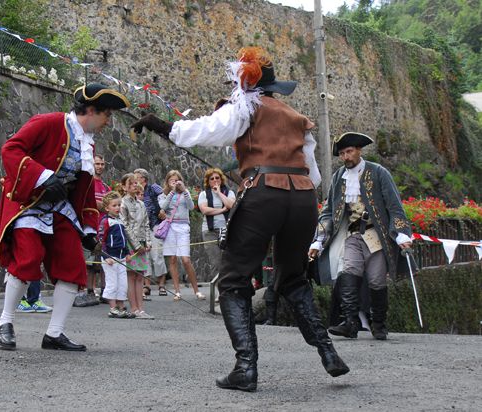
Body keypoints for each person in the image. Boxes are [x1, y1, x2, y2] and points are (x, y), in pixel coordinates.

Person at [132, 46, 348, 391]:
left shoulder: (246, 106)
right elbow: (315, 176)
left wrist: (160, 125)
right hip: (304, 197)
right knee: (292, 278)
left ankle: (245, 368)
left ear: (244, 84)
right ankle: (328, 353)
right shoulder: (295, 117)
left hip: (265, 195)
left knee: (233, 281)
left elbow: (207, 130)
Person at [0, 83, 130, 351]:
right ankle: (5, 322)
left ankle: (54, 333)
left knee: (72, 266)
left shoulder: (87, 145)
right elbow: (11, 149)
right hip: (29, 204)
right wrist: (43, 177)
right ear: (91, 111)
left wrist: (90, 230)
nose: (108, 122)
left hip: (60, 211)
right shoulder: (49, 123)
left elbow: (86, 192)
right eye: (107, 115)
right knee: (28, 259)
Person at [308, 132, 412, 341]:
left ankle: (379, 324)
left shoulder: (379, 173)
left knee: (376, 280)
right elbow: (329, 211)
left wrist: (401, 234)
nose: (346, 157)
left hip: (377, 236)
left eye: (349, 151)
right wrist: (318, 240)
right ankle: (350, 322)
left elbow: (394, 206)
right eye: (342, 153)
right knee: (349, 271)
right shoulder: (339, 177)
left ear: (358, 151)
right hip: (353, 235)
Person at [158, 170, 206, 301]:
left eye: (176, 180)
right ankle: (177, 291)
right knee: (172, 259)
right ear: (167, 182)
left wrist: (184, 191)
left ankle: (196, 291)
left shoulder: (185, 193)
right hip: (170, 227)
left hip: (183, 226)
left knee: (186, 260)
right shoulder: (163, 194)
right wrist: (172, 191)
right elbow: (163, 206)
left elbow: (191, 207)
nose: (174, 182)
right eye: (171, 180)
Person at [73, 154, 110, 307]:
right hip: (88, 227)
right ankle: (88, 290)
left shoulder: (106, 187)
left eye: (102, 164)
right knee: (88, 262)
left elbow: (109, 205)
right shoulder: (88, 184)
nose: (100, 166)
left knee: (102, 262)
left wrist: (102, 204)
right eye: (97, 163)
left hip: (103, 228)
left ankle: (104, 291)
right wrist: (100, 203)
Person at [119, 173, 154, 319]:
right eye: (131, 183)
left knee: (140, 276)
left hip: (142, 244)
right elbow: (125, 225)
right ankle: (133, 308)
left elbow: (146, 224)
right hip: (130, 244)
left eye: (135, 182)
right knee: (131, 276)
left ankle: (141, 308)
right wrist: (135, 245)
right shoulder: (123, 203)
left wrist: (148, 242)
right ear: (124, 186)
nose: (134, 185)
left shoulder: (141, 204)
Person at [99, 191, 135, 319]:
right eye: (114, 205)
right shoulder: (105, 221)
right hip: (110, 258)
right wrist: (105, 256)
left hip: (121, 258)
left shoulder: (120, 221)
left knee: (122, 284)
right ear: (107, 207)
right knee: (112, 283)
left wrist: (127, 253)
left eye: (119, 205)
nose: (117, 208)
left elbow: (123, 240)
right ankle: (113, 308)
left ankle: (121, 307)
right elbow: (100, 241)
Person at [134, 168, 169, 297]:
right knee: (145, 257)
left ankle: (161, 285)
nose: (134, 179)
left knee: (157, 256)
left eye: (136, 177)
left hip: (155, 225)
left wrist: (162, 210)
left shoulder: (153, 188)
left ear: (143, 178)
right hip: (141, 228)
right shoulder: (135, 191)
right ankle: (146, 286)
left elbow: (163, 198)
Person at [197, 168, 235, 280]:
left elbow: (231, 205)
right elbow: (204, 210)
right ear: (208, 181)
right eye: (212, 179)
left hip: (226, 230)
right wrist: (222, 210)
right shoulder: (203, 194)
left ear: (221, 179)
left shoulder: (229, 192)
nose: (215, 180)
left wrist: (218, 192)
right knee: (215, 262)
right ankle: (219, 291)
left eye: (217, 178)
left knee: (228, 261)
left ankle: (228, 288)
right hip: (209, 232)